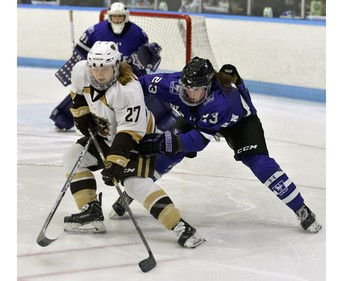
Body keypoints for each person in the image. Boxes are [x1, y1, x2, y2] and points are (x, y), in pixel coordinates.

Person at [113, 57, 322, 234]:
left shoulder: (221, 102)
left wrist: (161, 142)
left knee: (260, 164)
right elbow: (136, 85)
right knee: (171, 152)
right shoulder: (173, 83)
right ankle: (135, 191)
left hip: (238, 123)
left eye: (196, 90)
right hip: (198, 118)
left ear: (208, 85)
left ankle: (300, 208)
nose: (190, 94)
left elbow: (197, 142)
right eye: (187, 88)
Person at [62, 41, 205, 248]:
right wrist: (82, 114)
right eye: (95, 68)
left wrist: (115, 162)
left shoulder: (129, 88)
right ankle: (91, 213)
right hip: (105, 136)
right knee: (73, 156)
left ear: (116, 65)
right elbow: (77, 95)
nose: (99, 74)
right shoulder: (81, 71)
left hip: (138, 140)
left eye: (105, 69)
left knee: (133, 183)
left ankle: (180, 226)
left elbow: (129, 132)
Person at [50, 2, 163, 132]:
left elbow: (144, 55)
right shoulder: (96, 30)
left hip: (127, 71)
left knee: (141, 89)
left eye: (120, 16)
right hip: (103, 71)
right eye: (115, 16)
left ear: (126, 17)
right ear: (109, 17)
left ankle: (162, 119)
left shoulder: (138, 33)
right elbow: (81, 50)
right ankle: (62, 118)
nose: (117, 19)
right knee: (86, 90)